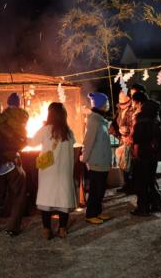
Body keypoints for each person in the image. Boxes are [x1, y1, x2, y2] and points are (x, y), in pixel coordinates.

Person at [30, 102, 77, 240]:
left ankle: (46, 230)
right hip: (63, 171)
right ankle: (62, 229)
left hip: (48, 171)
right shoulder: (69, 132)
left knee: (46, 199)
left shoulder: (45, 129)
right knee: (63, 200)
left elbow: (32, 143)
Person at [0, 97, 28, 237]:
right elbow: (15, 140)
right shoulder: (4, 123)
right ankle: (12, 227)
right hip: (10, 161)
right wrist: (23, 142)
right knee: (19, 192)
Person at [131, 91, 161, 216]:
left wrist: (132, 137)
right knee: (151, 180)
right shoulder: (154, 115)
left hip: (142, 153)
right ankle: (156, 205)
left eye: (134, 102)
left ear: (139, 103)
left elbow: (137, 138)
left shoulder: (141, 117)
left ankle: (143, 208)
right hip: (153, 153)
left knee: (141, 182)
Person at [82, 92, 113, 225]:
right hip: (96, 161)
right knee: (96, 189)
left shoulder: (100, 119)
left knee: (100, 189)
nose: (108, 105)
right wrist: (84, 158)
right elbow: (88, 141)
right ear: (100, 105)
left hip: (102, 160)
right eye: (106, 103)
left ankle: (98, 212)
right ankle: (91, 214)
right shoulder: (94, 120)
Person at [109, 90, 134, 194]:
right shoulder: (119, 110)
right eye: (120, 99)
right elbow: (115, 124)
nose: (121, 102)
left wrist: (127, 132)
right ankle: (126, 185)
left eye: (123, 99)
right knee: (122, 164)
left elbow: (134, 126)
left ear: (129, 99)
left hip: (130, 141)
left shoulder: (132, 110)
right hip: (121, 140)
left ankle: (131, 186)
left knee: (129, 165)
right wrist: (114, 130)